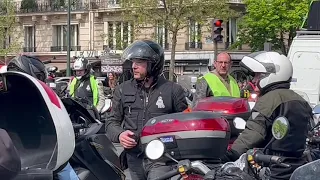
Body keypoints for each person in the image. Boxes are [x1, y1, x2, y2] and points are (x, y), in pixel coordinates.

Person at [105, 40, 188, 180]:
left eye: (139, 62)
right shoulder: (122, 89)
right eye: (132, 62)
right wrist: (120, 135)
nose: (133, 66)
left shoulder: (173, 90)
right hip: (134, 158)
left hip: (161, 159)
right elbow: (111, 121)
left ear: (153, 64)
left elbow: (184, 124)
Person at [222, 51, 312, 180]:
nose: (254, 80)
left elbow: (253, 134)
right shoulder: (301, 99)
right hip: (298, 167)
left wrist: (231, 154)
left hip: (272, 168)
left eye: (258, 75)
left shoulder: (269, 99)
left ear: (271, 75)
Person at [6, 55, 79, 180]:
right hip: (41, 159)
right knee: (65, 169)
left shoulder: (5, 97)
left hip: (8, 161)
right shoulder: (39, 100)